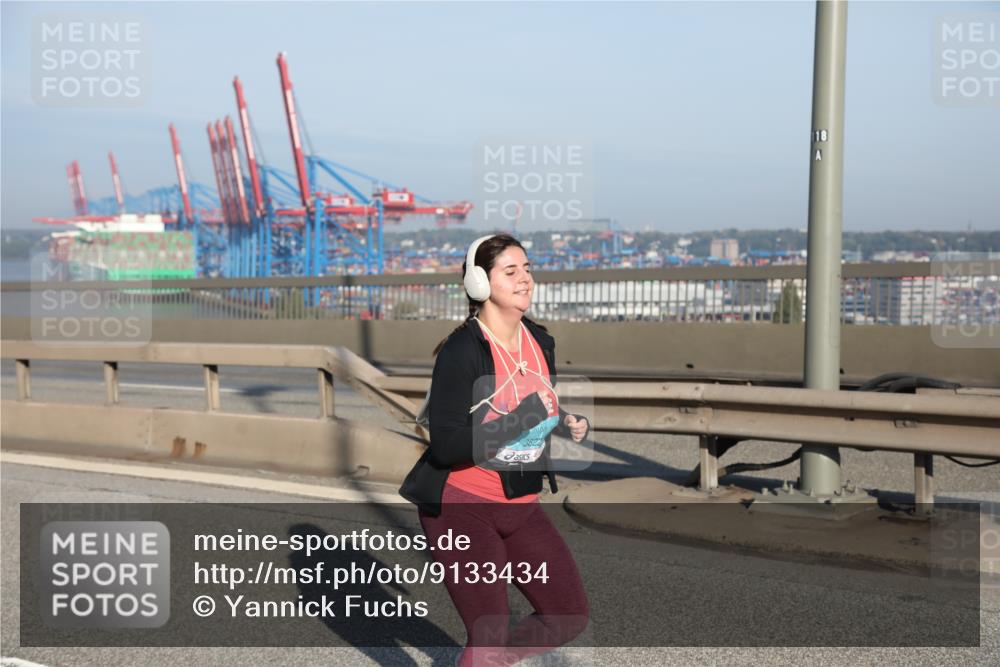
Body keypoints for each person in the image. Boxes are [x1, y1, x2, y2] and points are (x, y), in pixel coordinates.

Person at [399, 233, 591, 667]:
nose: (525, 279)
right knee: (488, 635)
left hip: (520, 503)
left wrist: (566, 420)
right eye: (511, 271)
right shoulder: (462, 352)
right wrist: (522, 417)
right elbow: (446, 446)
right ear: (480, 283)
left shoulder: (541, 342)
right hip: (462, 506)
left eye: (527, 269)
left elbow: (536, 402)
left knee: (567, 615)